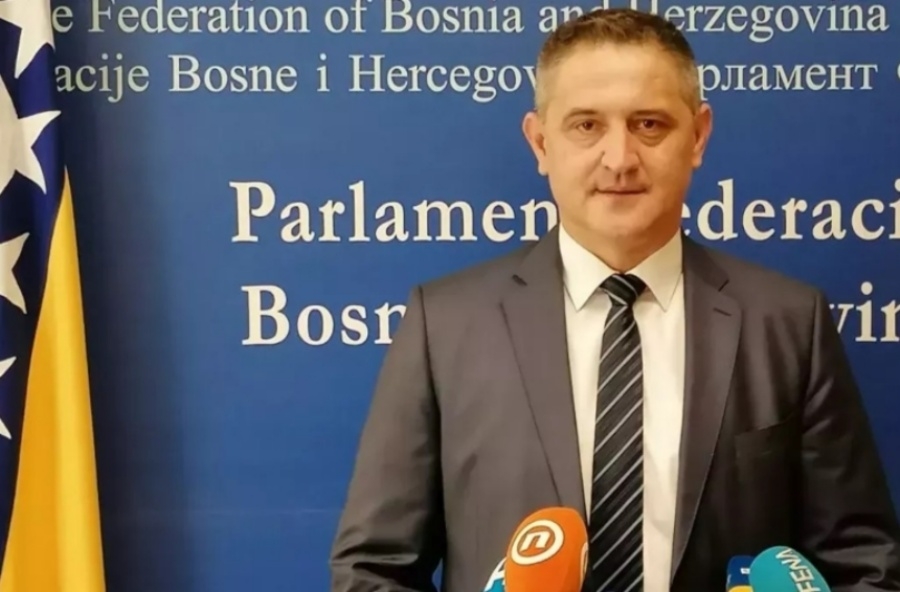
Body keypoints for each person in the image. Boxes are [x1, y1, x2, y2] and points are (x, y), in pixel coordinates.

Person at [329, 8, 900, 592]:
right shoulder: (444, 326)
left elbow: (863, 564)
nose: (620, 158)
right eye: (586, 125)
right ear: (540, 141)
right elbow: (374, 570)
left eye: (649, 124)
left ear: (698, 136)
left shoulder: (788, 324)